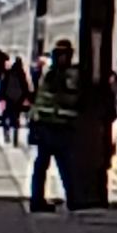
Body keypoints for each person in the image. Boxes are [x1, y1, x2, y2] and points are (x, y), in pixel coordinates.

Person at [26, 40, 87, 211]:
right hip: (56, 126)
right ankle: (71, 200)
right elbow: (69, 98)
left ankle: (38, 200)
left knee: (46, 165)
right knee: (64, 164)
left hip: (46, 124)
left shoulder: (48, 73)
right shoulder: (63, 76)